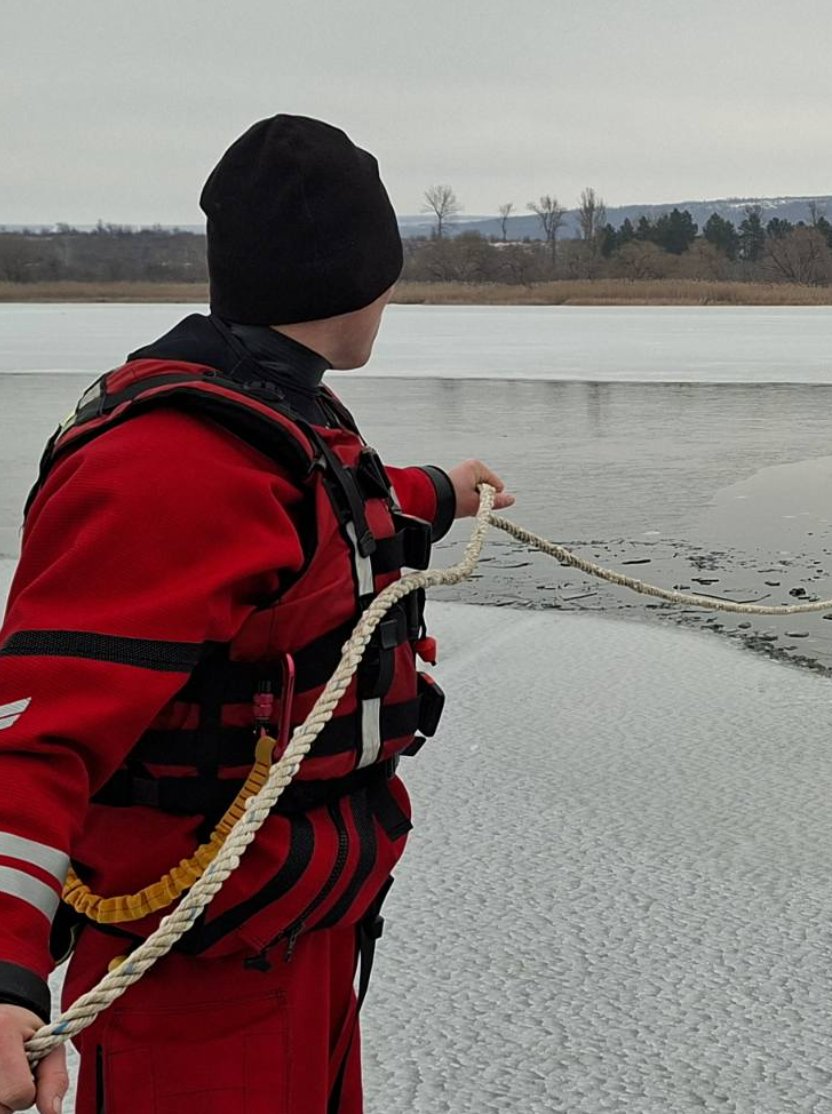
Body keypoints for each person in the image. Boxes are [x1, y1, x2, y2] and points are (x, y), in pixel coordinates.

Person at [0, 115, 513, 1114]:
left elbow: (334, 513)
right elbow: (32, 732)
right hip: (188, 981)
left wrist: (443, 492)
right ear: (362, 278)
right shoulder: (167, 464)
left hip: (303, 936)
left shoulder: (283, 420)